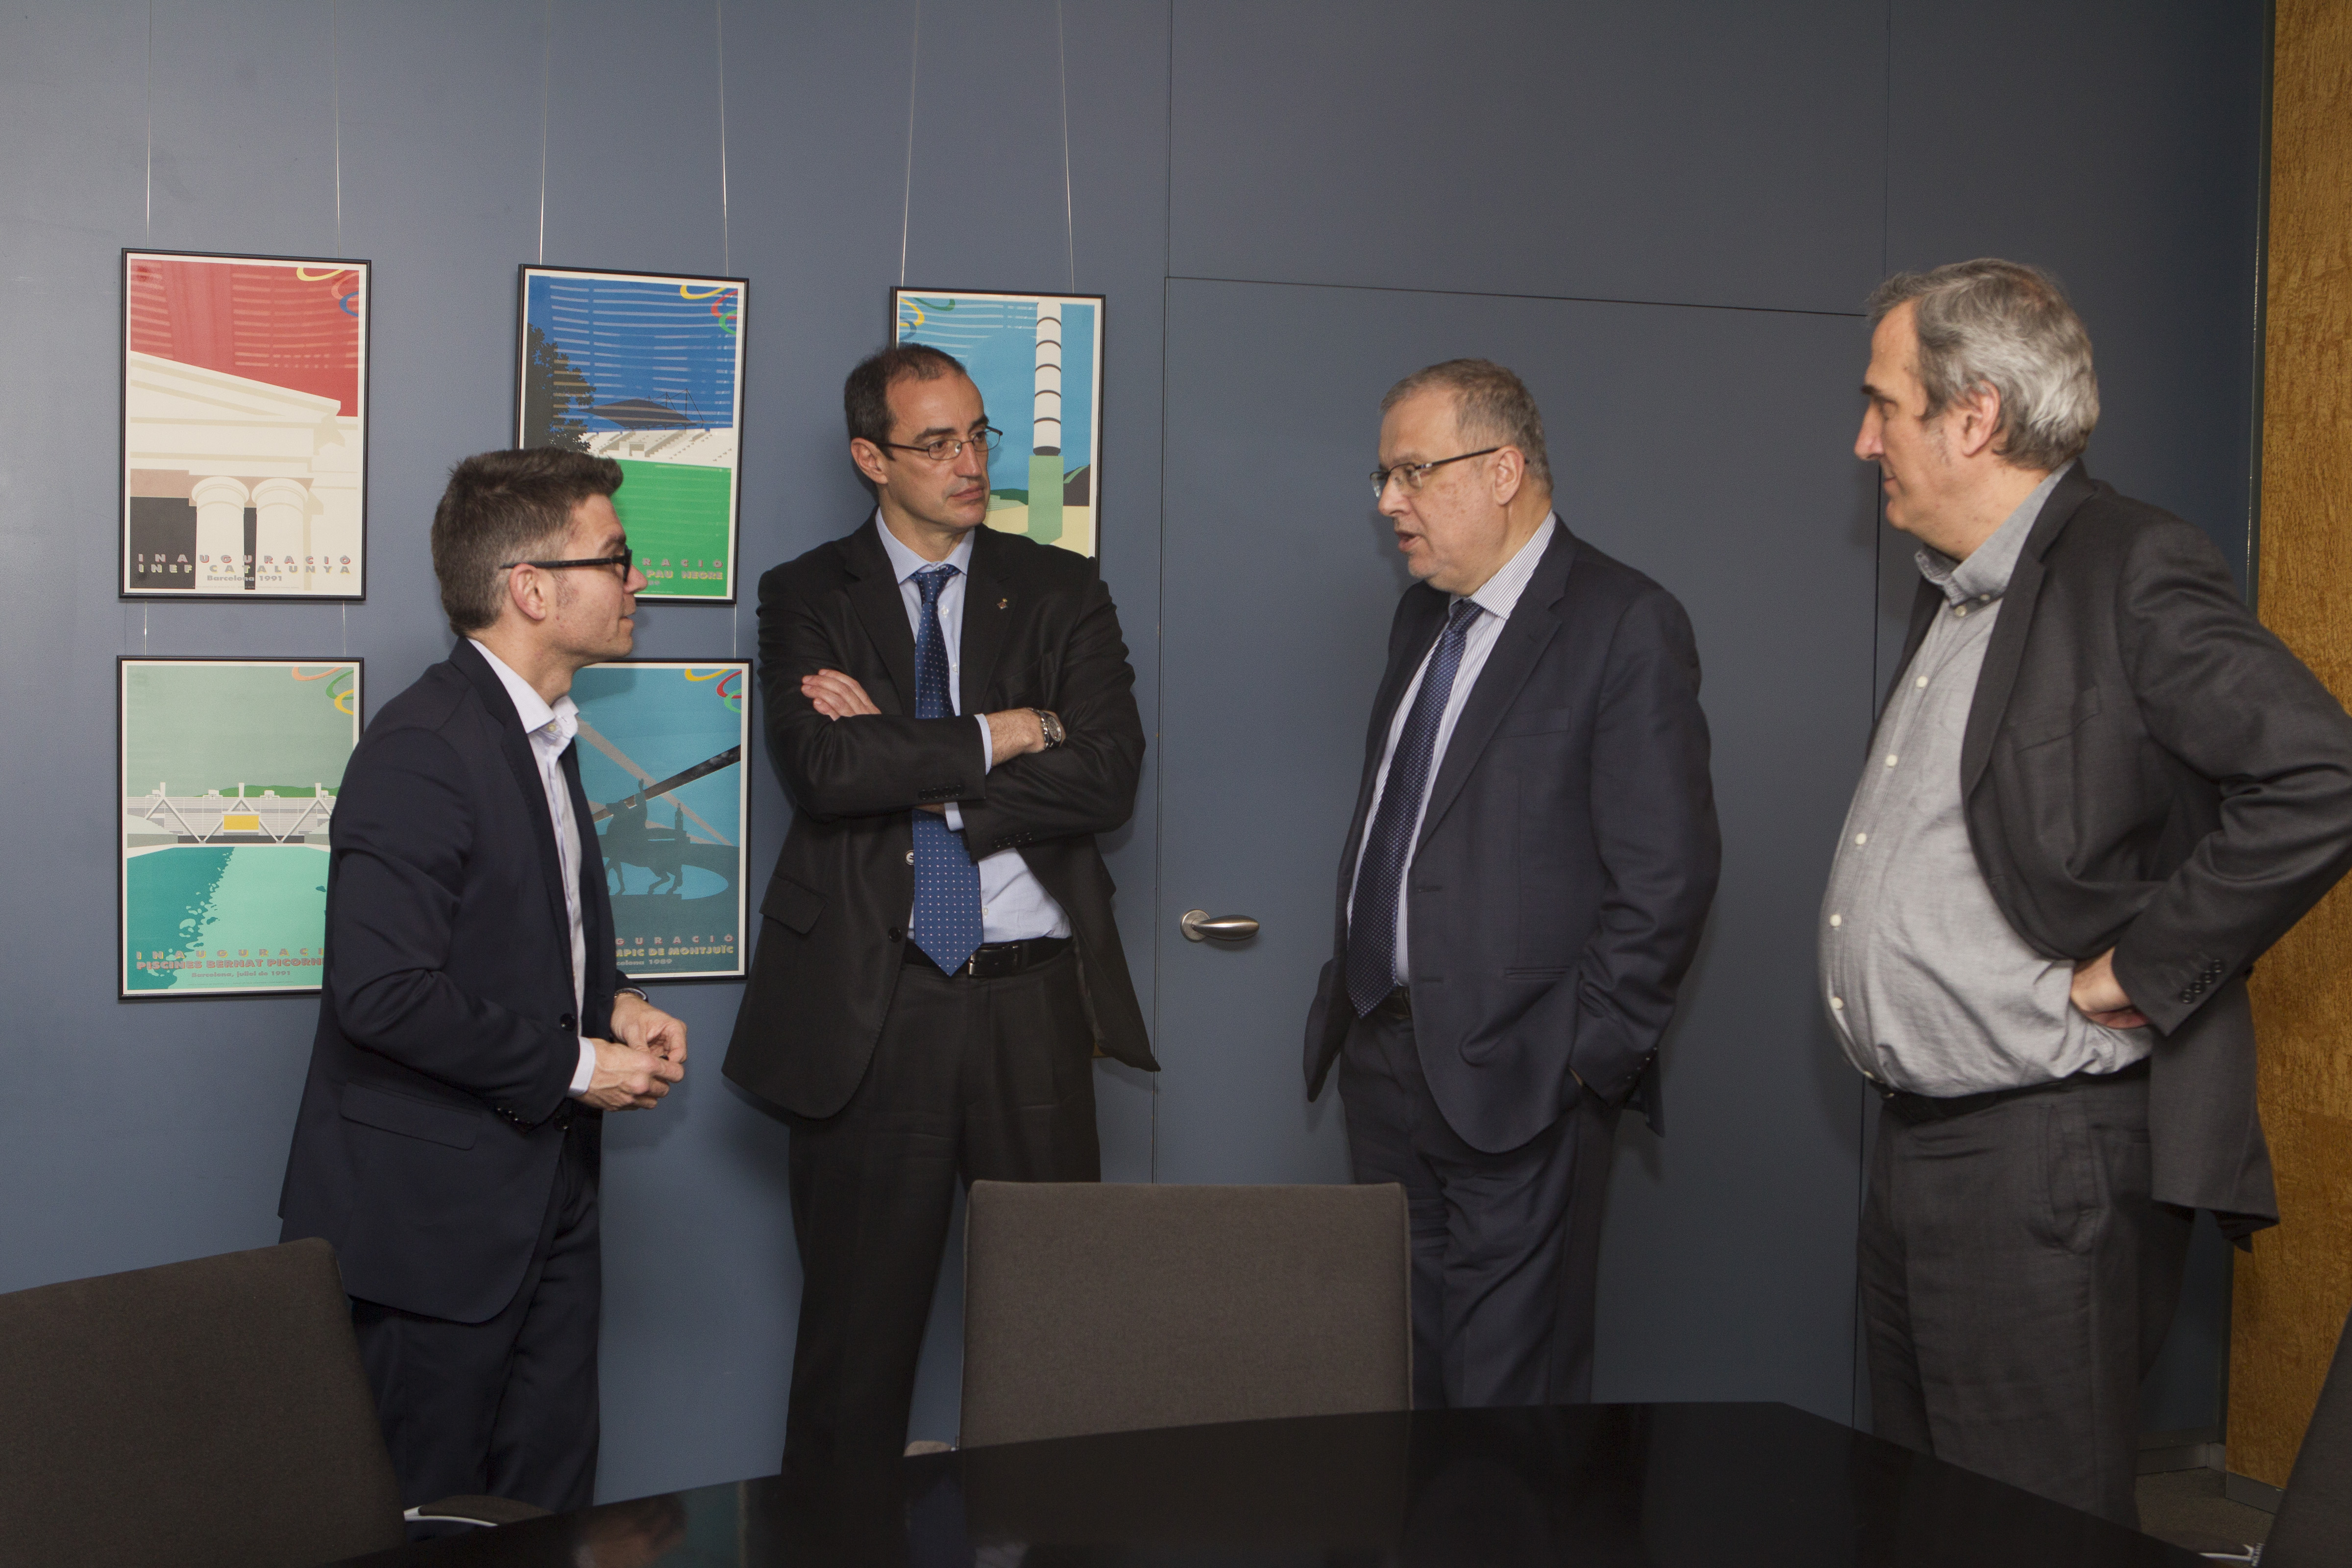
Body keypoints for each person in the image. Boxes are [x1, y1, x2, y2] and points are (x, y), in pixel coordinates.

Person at [1827, 258, 2352, 1526]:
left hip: (2039, 1158)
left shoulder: (2130, 565)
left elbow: (2320, 775)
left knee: (2030, 1529)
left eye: (1884, 404)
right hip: (1920, 1147)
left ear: (1974, 417)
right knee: (1919, 1518)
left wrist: (2144, 969)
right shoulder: (1960, 590)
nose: (1864, 440)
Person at [725, 343, 1154, 1470]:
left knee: (1062, 1331)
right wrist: (1011, 730)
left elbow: (1108, 778)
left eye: (978, 436)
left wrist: (913, 762)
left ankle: (1060, 1544)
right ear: (871, 458)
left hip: (1033, 1006)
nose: (970, 464)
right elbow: (827, 773)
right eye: (936, 444)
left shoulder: (1059, 588)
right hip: (876, 1009)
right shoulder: (806, 593)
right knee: (854, 1349)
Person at [1302, 359, 1720, 1409]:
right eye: (1384, 475)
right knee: (1397, 1382)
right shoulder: (1421, 620)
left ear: (1503, 471)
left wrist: (1582, 1063)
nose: (1388, 501)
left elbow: (1666, 876)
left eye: (1413, 471)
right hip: (1384, 1059)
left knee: (1505, 1407)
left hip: (1526, 1085)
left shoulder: (1625, 622)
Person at [278, 448, 688, 1512]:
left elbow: (527, 931)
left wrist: (615, 1005)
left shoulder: (543, 733)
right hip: (432, 1233)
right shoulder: (423, 745)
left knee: (547, 1507)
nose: (638, 579)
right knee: (426, 1513)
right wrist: (578, 1064)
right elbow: (383, 992)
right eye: (617, 557)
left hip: (548, 1200)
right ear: (533, 589)